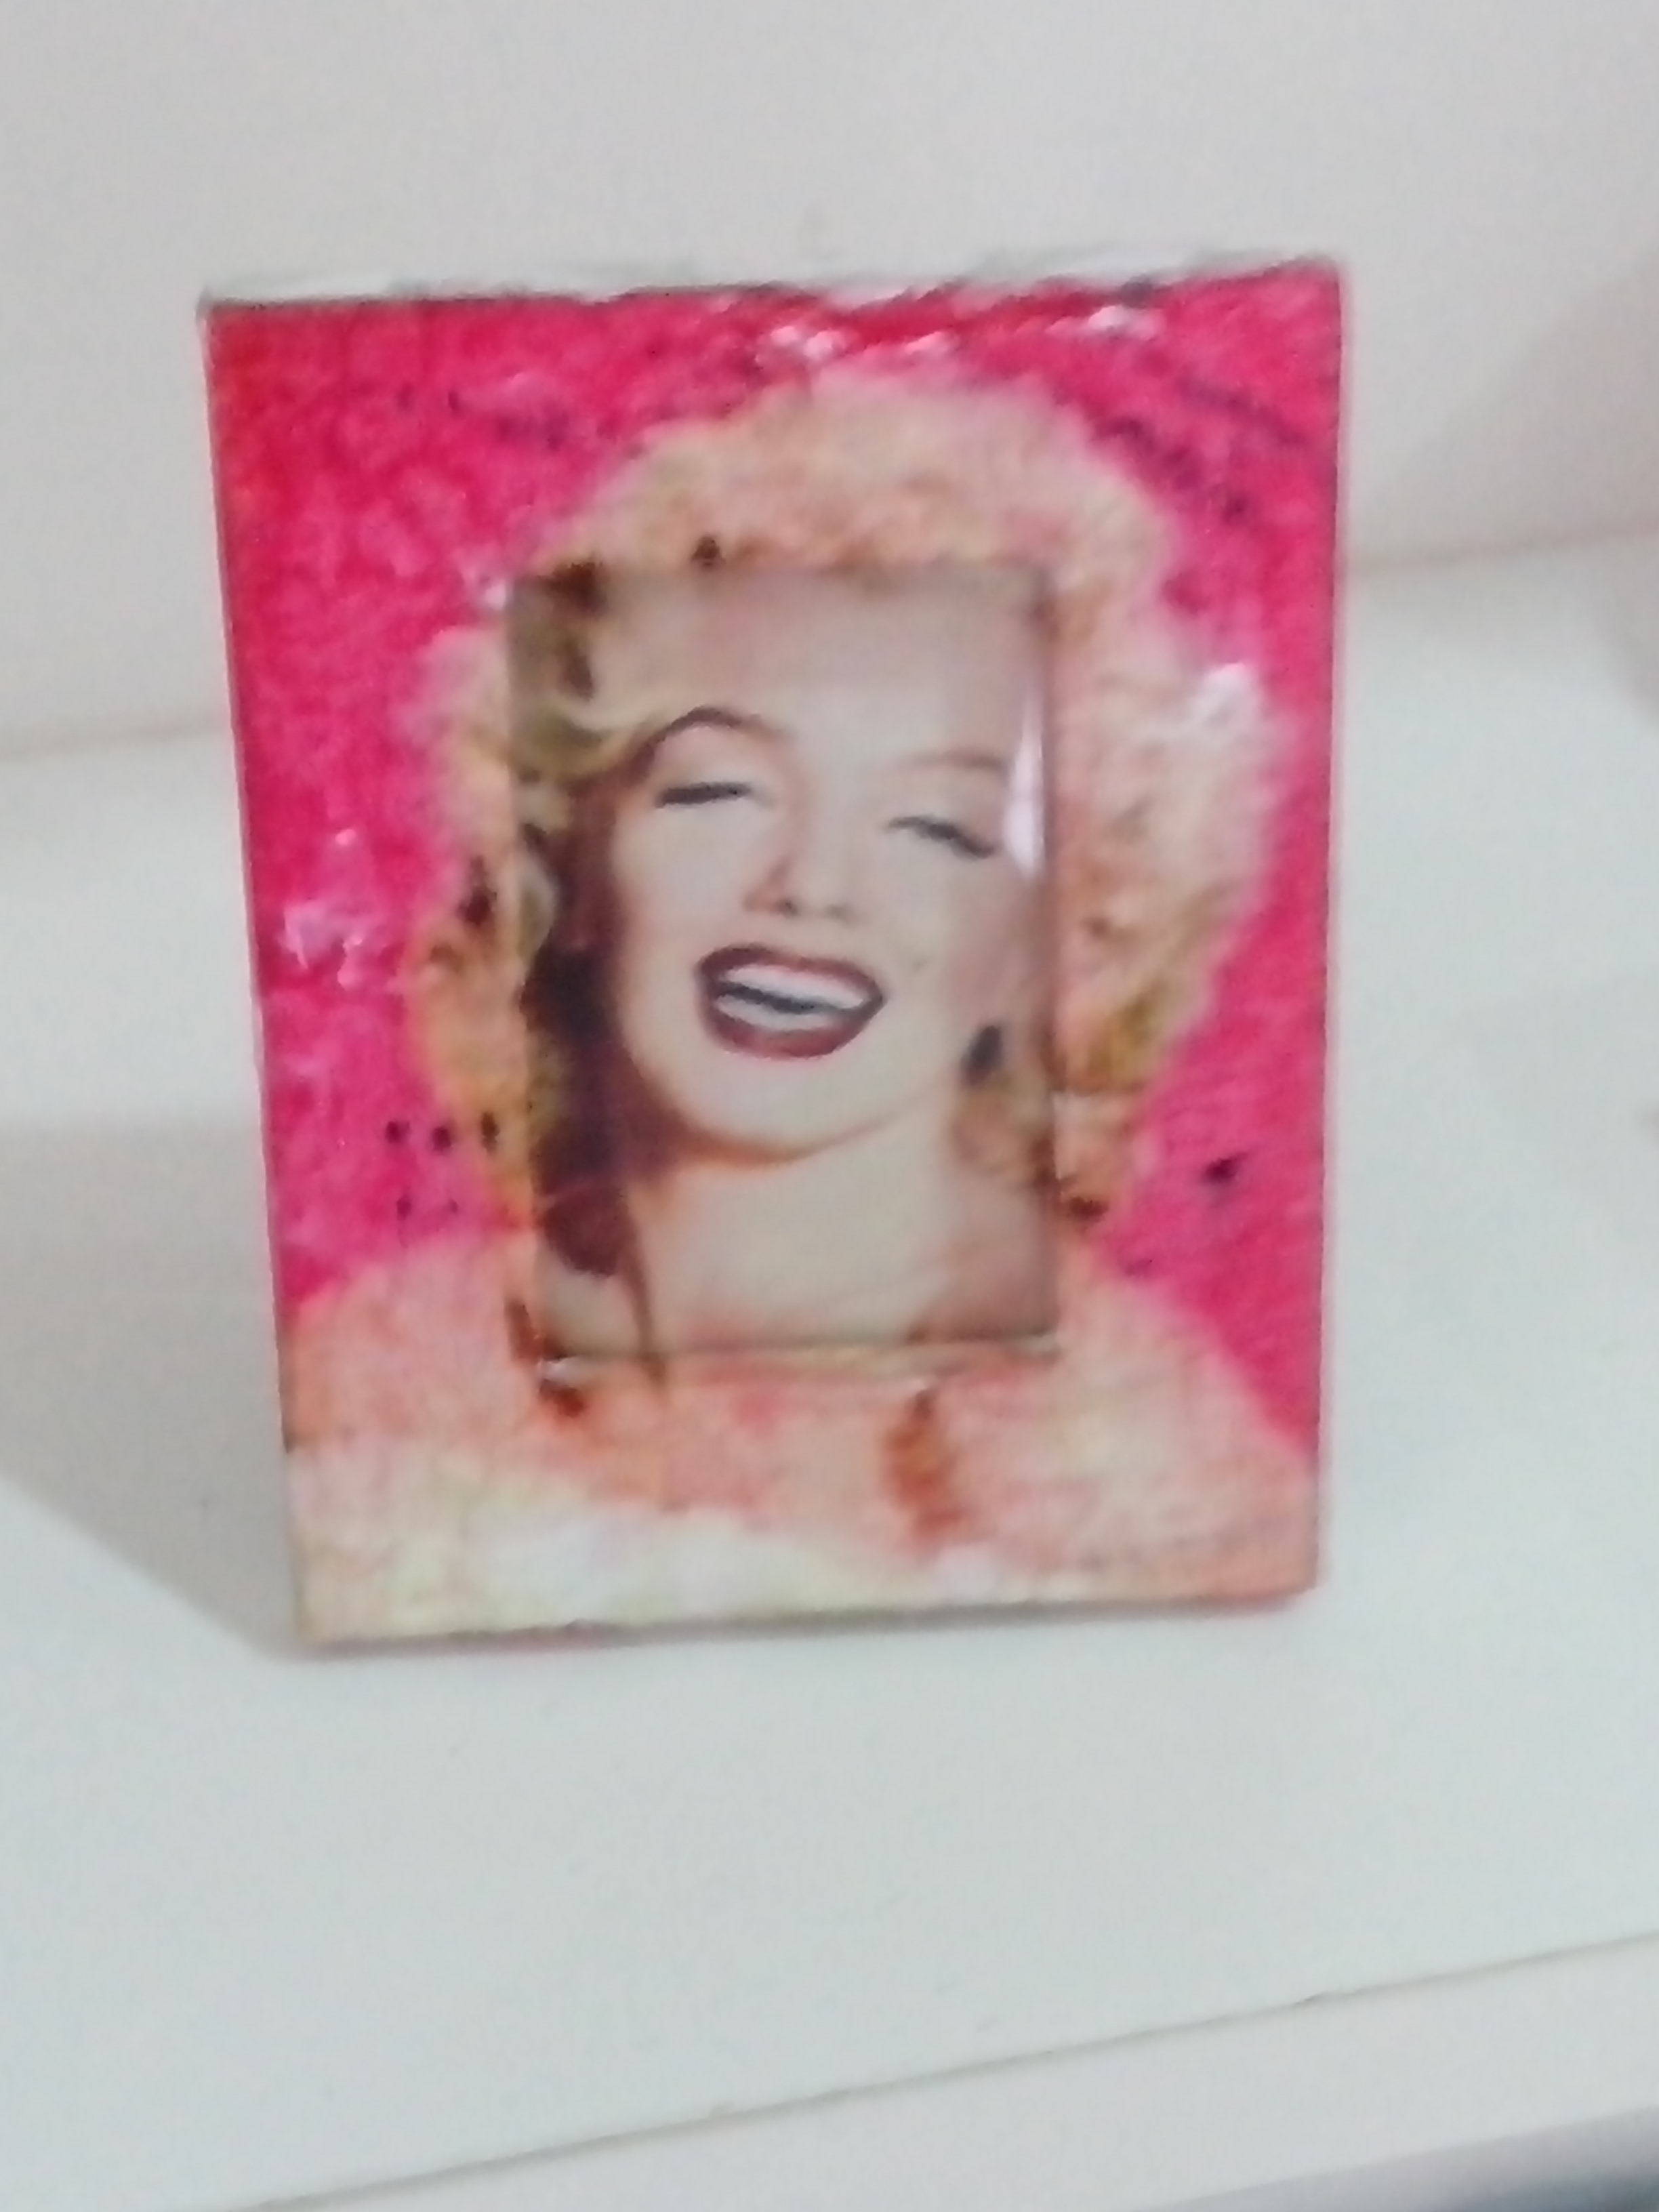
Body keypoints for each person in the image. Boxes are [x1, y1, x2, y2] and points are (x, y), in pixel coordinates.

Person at [287, 373, 1314, 1636]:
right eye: (720, 790)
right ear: (574, 858)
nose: (812, 885)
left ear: (1064, 938)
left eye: (936, 825)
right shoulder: (377, 1385)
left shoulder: (1155, 1480)